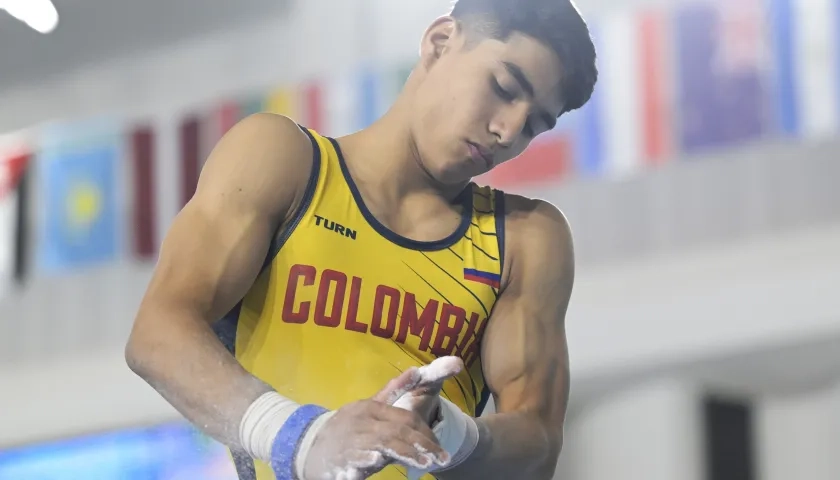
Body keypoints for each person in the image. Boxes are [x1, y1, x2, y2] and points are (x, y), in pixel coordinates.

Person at [125, 0, 597, 478]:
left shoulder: (523, 238)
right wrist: (303, 436)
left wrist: (452, 433)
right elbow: (158, 334)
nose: (508, 130)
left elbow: (538, 442)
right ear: (439, 43)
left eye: (535, 125)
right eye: (503, 88)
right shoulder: (283, 162)